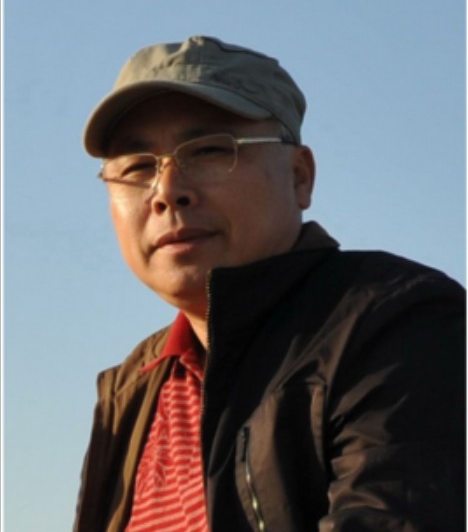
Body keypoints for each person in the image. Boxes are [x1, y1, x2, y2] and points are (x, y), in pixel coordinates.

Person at [74, 35, 465, 532]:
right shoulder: (133, 385)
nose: (167, 192)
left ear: (300, 176)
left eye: (209, 150)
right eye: (137, 167)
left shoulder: (398, 321)